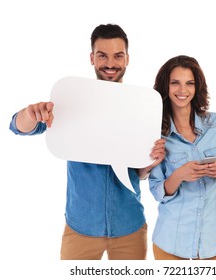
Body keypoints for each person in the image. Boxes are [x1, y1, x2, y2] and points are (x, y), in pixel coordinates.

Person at [9, 24, 165, 260]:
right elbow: (17, 127)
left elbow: (138, 174)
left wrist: (150, 162)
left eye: (118, 56)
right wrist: (30, 114)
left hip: (129, 227)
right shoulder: (72, 98)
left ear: (127, 59)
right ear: (92, 58)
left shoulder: (141, 108)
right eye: (102, 55)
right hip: (80, 228)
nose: (110, 63)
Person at [149, 55, 216, 260]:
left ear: (197, 87)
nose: (183, 91)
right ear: (165, 86)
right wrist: (179, 175)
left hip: (215, 243)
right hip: (171, 243)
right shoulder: (155, 133)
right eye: (175, 83)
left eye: (189, 83)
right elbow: (156, 190)